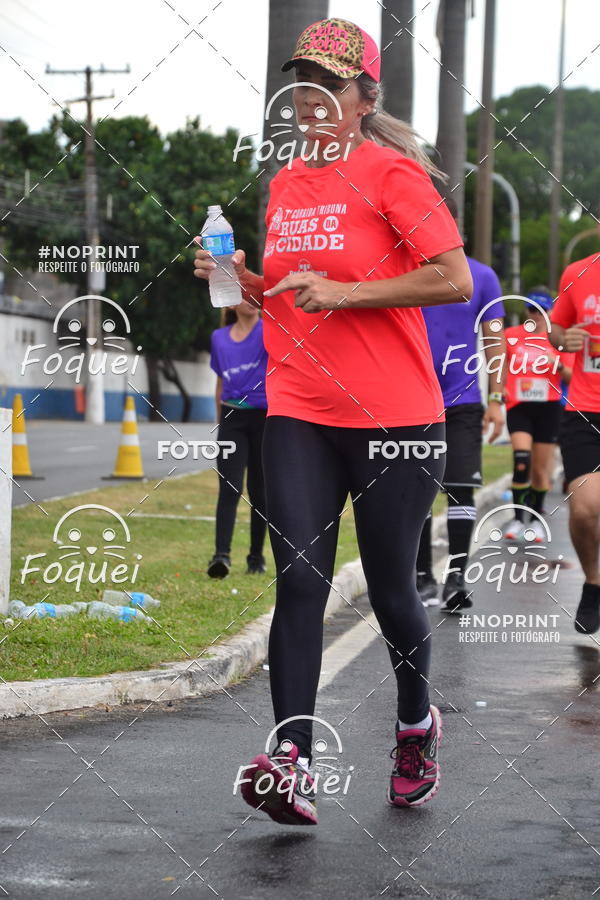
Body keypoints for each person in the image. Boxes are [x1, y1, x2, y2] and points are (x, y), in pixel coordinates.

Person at [194, 17, 472, 821]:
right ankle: (293, 758)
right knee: (299, 581)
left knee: (391, 589)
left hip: (395, 416)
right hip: (302, 409)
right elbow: (286, 293)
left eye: (328, 83)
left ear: (362, 96)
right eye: (301, 82)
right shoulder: (285, 184)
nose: (311, 98)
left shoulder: (392, 174)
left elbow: (450, 280)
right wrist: (240, 278)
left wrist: (345, 292)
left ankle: (416, 724)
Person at [417, 197, 506, 612]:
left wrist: (498, 398)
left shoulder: (483, 277)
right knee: (413, 488)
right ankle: (419, 576)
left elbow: (494, 338)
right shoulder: (406, 272)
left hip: (464, 400)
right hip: (411, 401)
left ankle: (456, 578)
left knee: (460, 487)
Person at [549, 254, 600, 634]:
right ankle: (593, 581)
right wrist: (564, 338)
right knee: (584, 508)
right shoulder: (578, 272)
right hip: (585, 410)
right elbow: (555, 330)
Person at [503, 289, 573, 542]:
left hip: (548, 407)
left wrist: (557, 363)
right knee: (522, 461)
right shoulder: (511, 336)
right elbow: (498, 368)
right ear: (526, 310)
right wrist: (498, 392)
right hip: (519, 406)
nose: (536, 314)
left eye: (541, 310)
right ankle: (517, 518)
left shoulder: (558, 338)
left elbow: (572, 377)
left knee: (540, 471)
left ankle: (535, 520)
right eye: (532, 309)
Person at [207, 299, 268, 578]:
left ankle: (256, 556)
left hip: (264, 418)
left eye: (257, 295)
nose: (253, 300)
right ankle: (221, 556)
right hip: (232, 419)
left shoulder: (269, 330)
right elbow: (220, 383)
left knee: (260, 491)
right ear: (232, 303)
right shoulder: (219, 338)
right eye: (246, 295)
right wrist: (220, 422)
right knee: (229, 488)